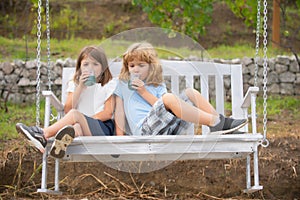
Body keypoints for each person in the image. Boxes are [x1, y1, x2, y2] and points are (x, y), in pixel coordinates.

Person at [114, 42, 247, 136]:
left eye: (141, 65)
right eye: (131, 66)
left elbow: (165, 109)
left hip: (168, 128)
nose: (135, 69)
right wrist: (119, 139)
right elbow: (119, 112)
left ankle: (218, 123)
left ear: (151, 67)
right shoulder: (123, 84)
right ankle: (217, 122)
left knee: (190, 93)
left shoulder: (157, 85)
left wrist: (144, 92)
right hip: (145, 131)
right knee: (168, 98)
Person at [16, 46, 117, 158]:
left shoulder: (109, 84)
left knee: (75, 115)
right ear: (79, 67)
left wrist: (85, 120)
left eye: (95, 64)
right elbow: (67, 109)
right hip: (82, 128)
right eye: (86, 64)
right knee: (76, 128)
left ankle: (44, 134)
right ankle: (59, 146)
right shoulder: (74, 84)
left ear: (103, 67)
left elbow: (108, 113)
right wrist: (80, 88)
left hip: (102, 128)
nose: (90, 68)